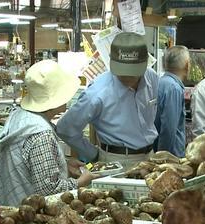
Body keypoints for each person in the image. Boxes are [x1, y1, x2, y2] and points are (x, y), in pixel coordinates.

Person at [0, 60, 96, 207]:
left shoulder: (20, 116)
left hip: (11, 209)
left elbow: (30, 163)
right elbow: (49, 190)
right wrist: (81, 182)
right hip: (31, 216)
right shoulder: (41, 134)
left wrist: (63, 165)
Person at [57, 32, 159, 168]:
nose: (128, 77)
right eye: (122, 71)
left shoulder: (152, 78)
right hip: (116, 160)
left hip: (150, 157)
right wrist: (93, 154)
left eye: (134, 71)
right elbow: (66, 128)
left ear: (145, 63)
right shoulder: (97, 93)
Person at [153, 46, 190, 157]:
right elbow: (168, 128)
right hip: (171, 157)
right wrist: (162, 159)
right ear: (187, 65)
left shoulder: (161, 82)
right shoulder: (174, 88)